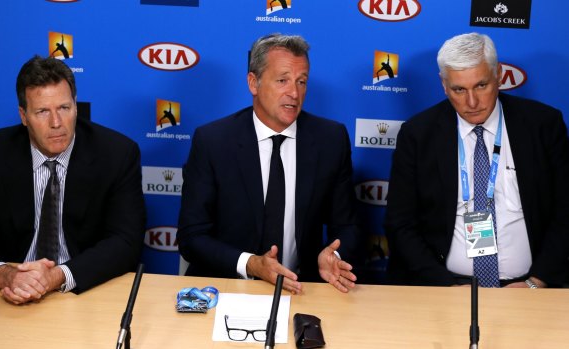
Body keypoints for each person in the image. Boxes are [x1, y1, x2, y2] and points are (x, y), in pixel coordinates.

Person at [0, 56, 146, 304]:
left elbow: (126, 242)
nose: (56, 123)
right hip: (7, 291)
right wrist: (4, 274)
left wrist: (55, 277)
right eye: (42, 111)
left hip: (84, 289)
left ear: (75, 105)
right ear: (23, 115)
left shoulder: (117, 154)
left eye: (64, 108)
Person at [177, 33, 360, 294]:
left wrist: (334, 256)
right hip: (228, 285)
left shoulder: (330, 139)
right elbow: (191, 237)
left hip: (302, 288)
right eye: (282, 80)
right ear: (254, 82)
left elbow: (347, 225)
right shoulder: (213, 141)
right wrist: (251, 264)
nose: (294, 93)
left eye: (301, 81)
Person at [385, 32, 569, 288]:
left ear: (499, 75)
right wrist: (446, 286)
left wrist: (537, 281)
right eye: (459, 89)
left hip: (528, 288)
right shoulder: (417, 134)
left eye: (481, 86)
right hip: (445, 287)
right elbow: (400, 224)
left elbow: (565, 212)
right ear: (443, 85)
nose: (471, 102)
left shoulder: (543, 125)